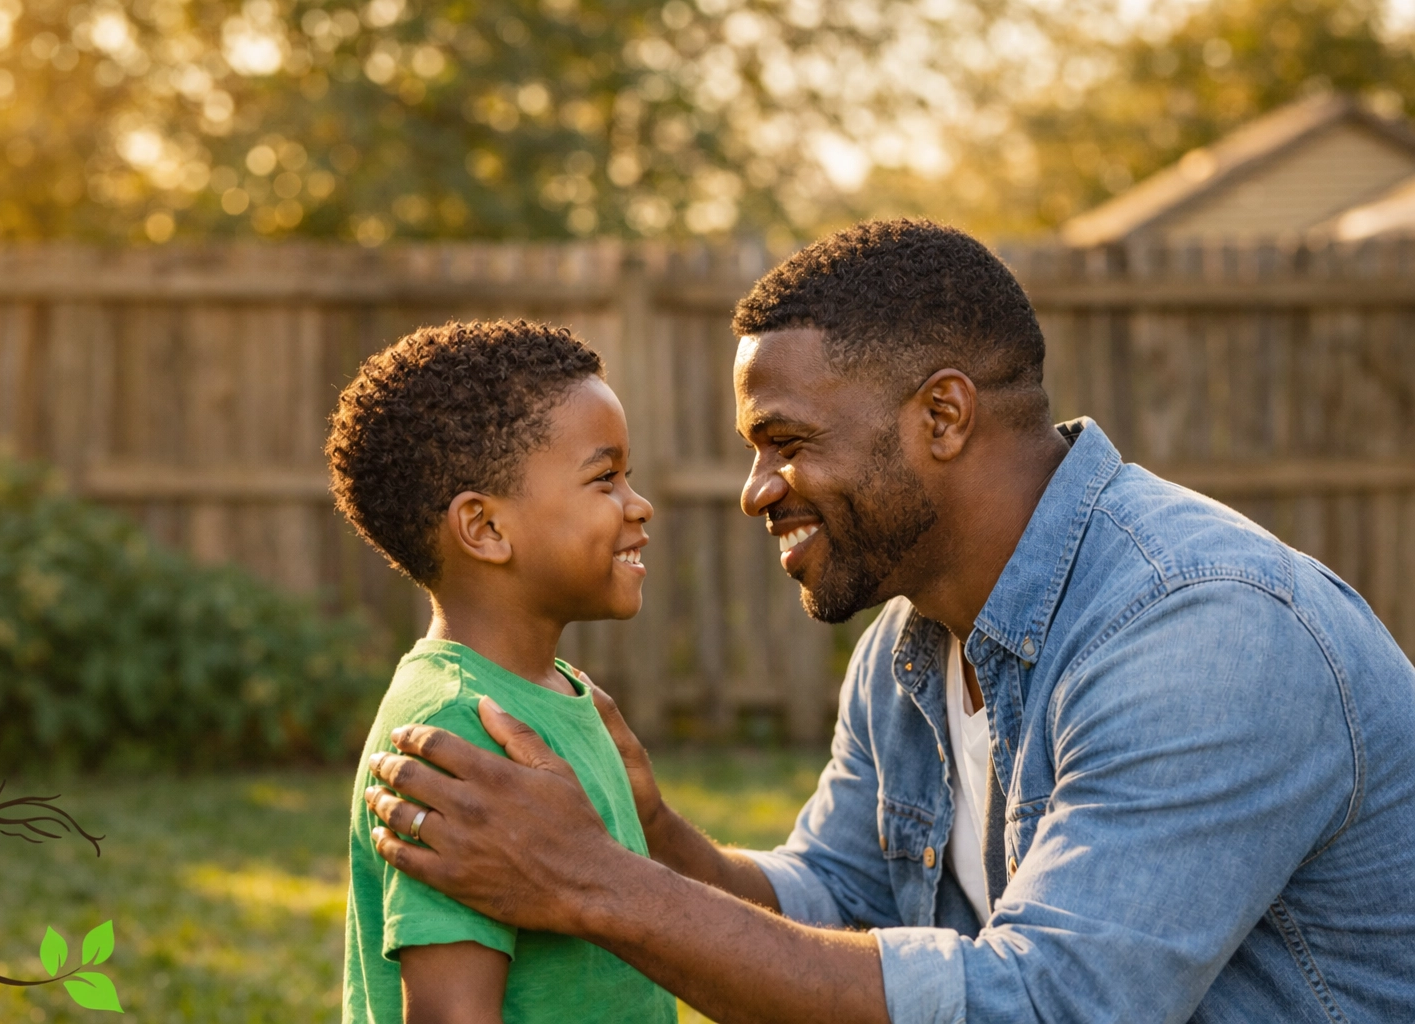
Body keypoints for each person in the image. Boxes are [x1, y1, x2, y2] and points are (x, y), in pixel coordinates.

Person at [358, 221, 1415, 1023]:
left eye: (785, 440)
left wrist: (595, 880)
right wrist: (657, 835)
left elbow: (1052, 1003)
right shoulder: (907, 649)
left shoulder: (1199, 629)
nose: (755, 489)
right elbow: (833, 898)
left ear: (942, 417)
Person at [325, 319, 675, 1024]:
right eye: (605, 479)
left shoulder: (559, 693)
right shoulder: (459, 728)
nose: (638, 505)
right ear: (485, 528)